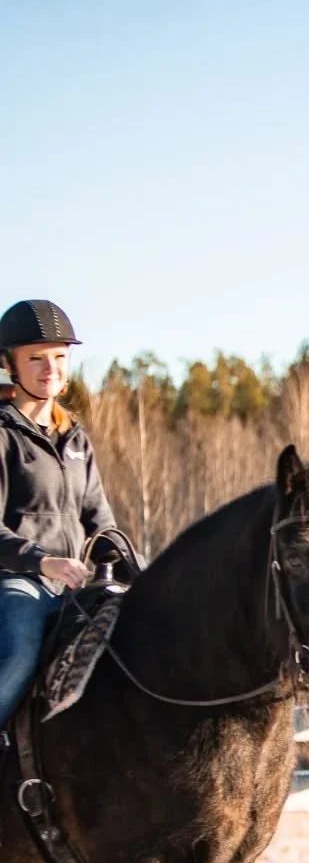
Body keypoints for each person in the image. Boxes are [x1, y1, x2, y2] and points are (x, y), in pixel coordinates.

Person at [0, 299, 114, 735]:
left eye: (60, 357)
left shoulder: (76, 438)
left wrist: (146, 576)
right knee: (20, 652)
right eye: (37, 359)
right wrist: (43, 562)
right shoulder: (3, 434)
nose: (51, 368)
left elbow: (100, 520)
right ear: (11, 365)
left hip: (74, 583)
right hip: (16, 581)